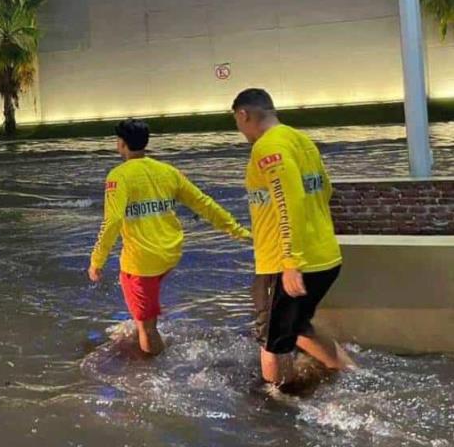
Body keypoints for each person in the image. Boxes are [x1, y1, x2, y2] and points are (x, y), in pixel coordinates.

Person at [88, 119, 251, 355]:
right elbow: (203, 203)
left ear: (121, 144)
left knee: (146, 327)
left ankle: (152, 372)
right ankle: (148, 323)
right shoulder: (167, 171)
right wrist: (236, 230)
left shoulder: (118, 176)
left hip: (142, 262)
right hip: (170, 253)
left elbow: (112, 221)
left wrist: (96, 261)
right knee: (145, 310)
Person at [231, 88, 354, 386]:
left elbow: (289, 199)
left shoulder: (267, 147)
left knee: (272, 341)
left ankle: (278, 408)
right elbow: (324, 190)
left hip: (284, 262)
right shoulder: (301, 141)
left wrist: (289, 261)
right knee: (297, 325)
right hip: (324, 258)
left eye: (237, 121)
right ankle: (352, 374)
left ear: (243, 114)